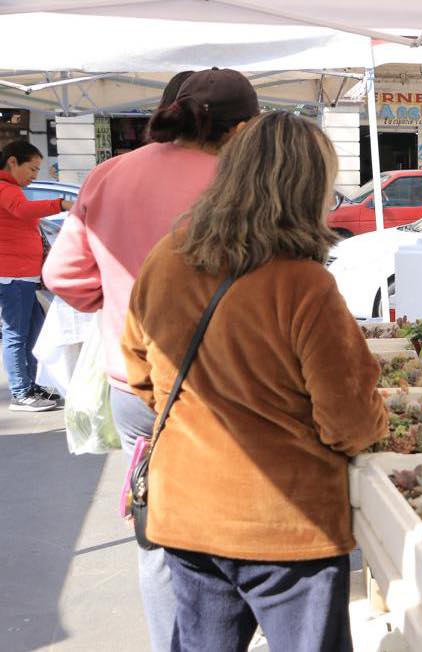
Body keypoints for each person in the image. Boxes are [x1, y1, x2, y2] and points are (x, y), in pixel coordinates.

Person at [122, 111, 388, 652]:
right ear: (307, 190)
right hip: (287, 524)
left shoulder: (166, 258)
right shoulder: (305, 285)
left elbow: (141, 375)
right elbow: (350, 423)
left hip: (189, 511)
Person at [43, 67, 259, 652]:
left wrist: (115, 299)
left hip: (134, 384)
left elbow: (61, 275)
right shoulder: (241, 184)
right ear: (239, 130)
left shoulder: (109, 173)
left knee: (158, 532)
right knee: (239, 532)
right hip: (228, 387)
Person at [0, 140, 72, 411]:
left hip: (24, 275)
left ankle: (29, 385)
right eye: (32, 169)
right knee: (16, 334)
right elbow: (23, 210)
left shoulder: (12, 189)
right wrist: (62, 204)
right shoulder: (5, 189)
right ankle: (21, 392)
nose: (35, 176)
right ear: (12, 162)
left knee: (32, 332)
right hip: (13, 276)